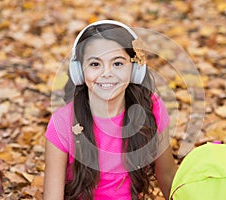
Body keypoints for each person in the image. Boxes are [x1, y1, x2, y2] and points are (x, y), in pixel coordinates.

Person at [43, 20, 177, 200]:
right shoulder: (63, 122)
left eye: (118, 63)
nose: (107, 73)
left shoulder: (150, 108)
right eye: (95, 64)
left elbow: (167, 175)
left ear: (135, 68)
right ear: (79, 71)